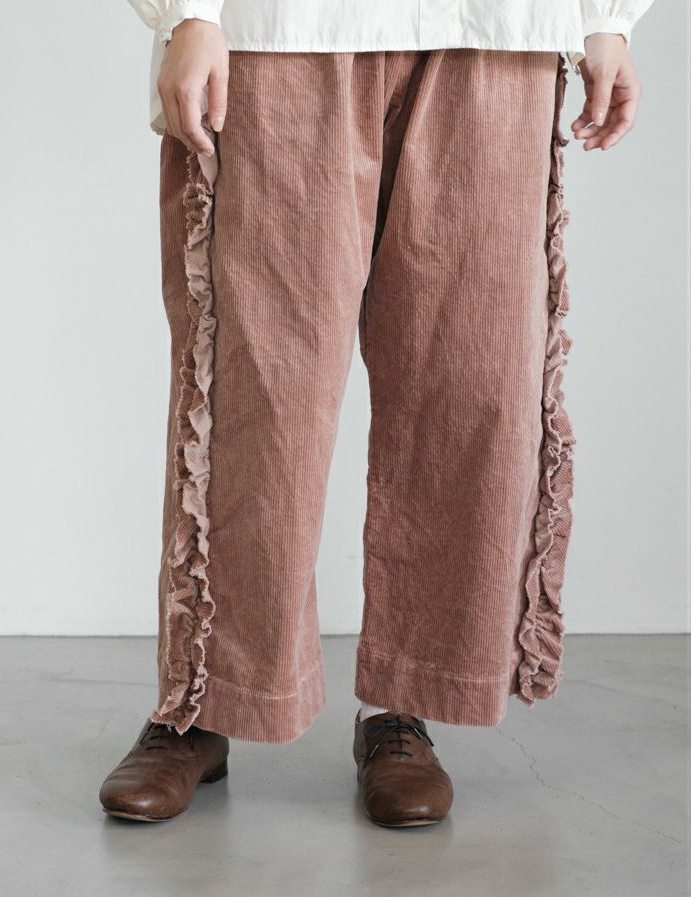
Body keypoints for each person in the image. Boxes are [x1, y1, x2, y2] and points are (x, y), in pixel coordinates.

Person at [99, 0, 653, 827]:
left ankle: (404, 705)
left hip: (493, 34)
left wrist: (605, 18)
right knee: (260, 391)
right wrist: (189, 13)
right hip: (281, 31)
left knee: (470, 385)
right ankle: (202, 704)